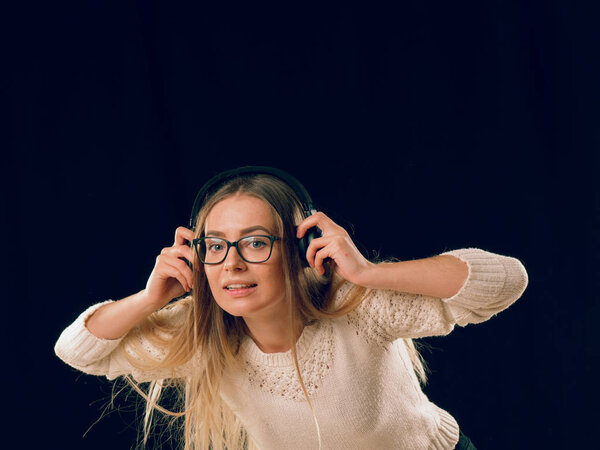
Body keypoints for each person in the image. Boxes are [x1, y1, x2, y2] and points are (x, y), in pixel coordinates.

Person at [55, 167, 528, 450]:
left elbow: (505, 280)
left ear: (300, 251)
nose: (233, 264)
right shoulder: (199, 334)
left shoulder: (355, 305)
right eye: (215, 246)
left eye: (256, 243)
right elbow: (77, 350)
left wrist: (366, 273)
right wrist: (149, 299)